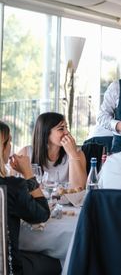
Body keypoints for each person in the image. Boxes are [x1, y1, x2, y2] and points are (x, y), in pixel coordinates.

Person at [0, 121, 58, 275]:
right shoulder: (11, 187)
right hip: (9, 268)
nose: (11, 146)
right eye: (9, 141)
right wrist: (28, 174)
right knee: (58, 262)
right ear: (2, 147)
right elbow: (42, 215)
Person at [19, 112, 86, 189]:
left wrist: (72, 154)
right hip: (36, 200)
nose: (67, 132)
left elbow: (79, 188)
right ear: (46, 133)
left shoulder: (77, 153)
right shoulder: (26, 153)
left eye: (66, 127)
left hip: (65, 201)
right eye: (61, 129)